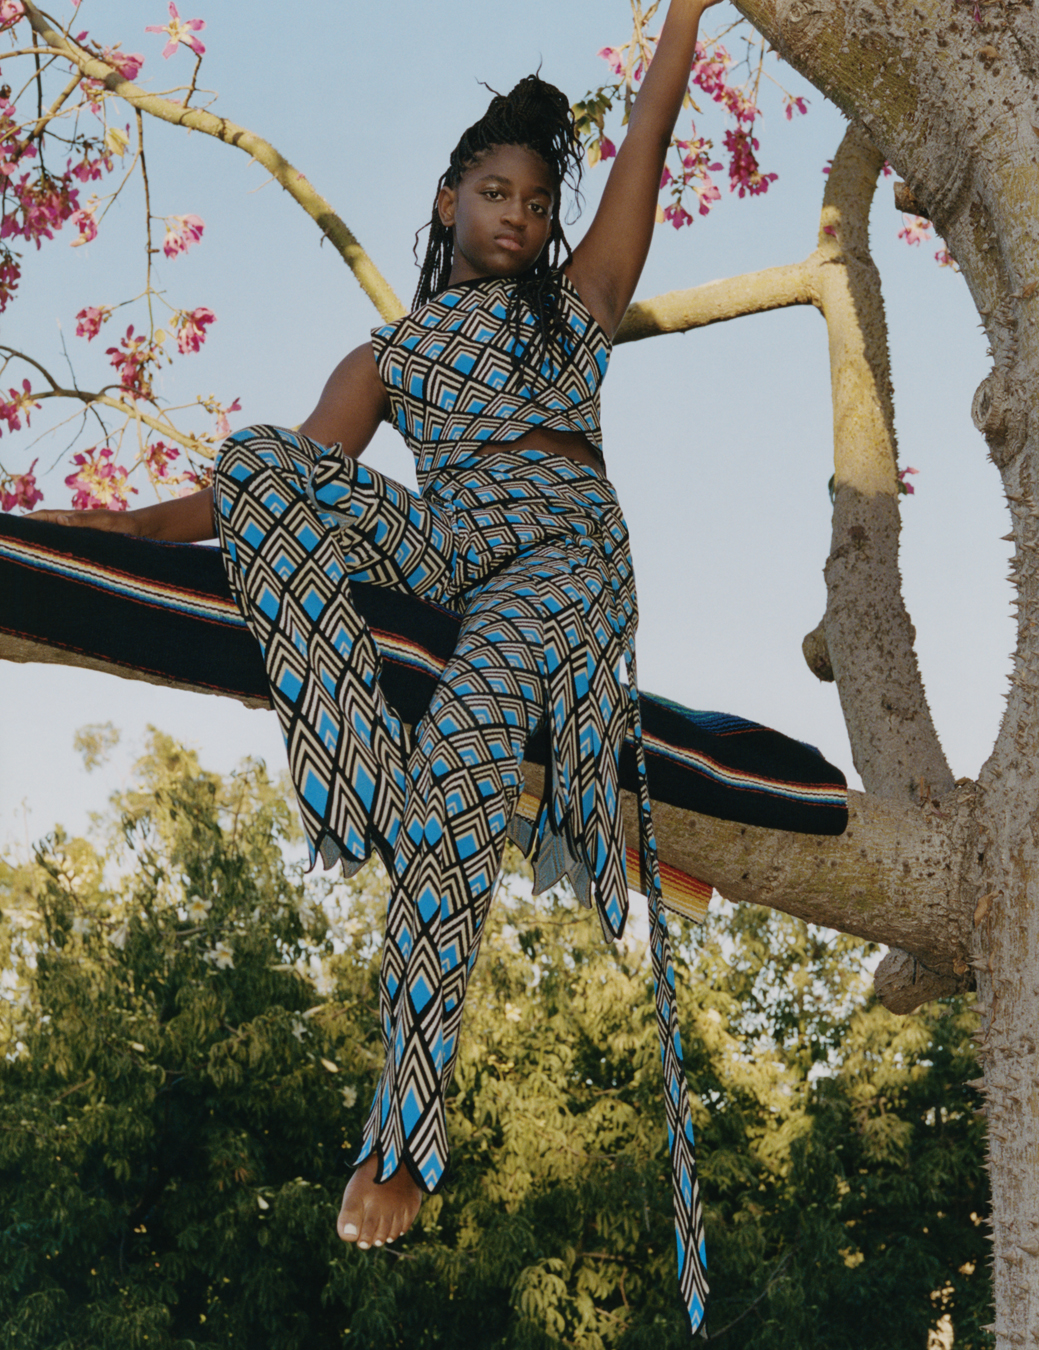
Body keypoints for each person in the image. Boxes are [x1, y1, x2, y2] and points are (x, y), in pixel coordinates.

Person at [30, 0, 722, 1329]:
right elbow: (278, 493)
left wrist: (685, 14)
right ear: (449, 197)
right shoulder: (393, 353)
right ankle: (348, 752)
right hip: (449, 547)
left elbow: (649, 133)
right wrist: (114, 530)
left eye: (536, 198)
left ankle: (401, 1129)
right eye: (495, 190)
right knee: (257, 465)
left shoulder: (574, 308)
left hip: (564, 562)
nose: (519, 214)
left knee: (464, 747)